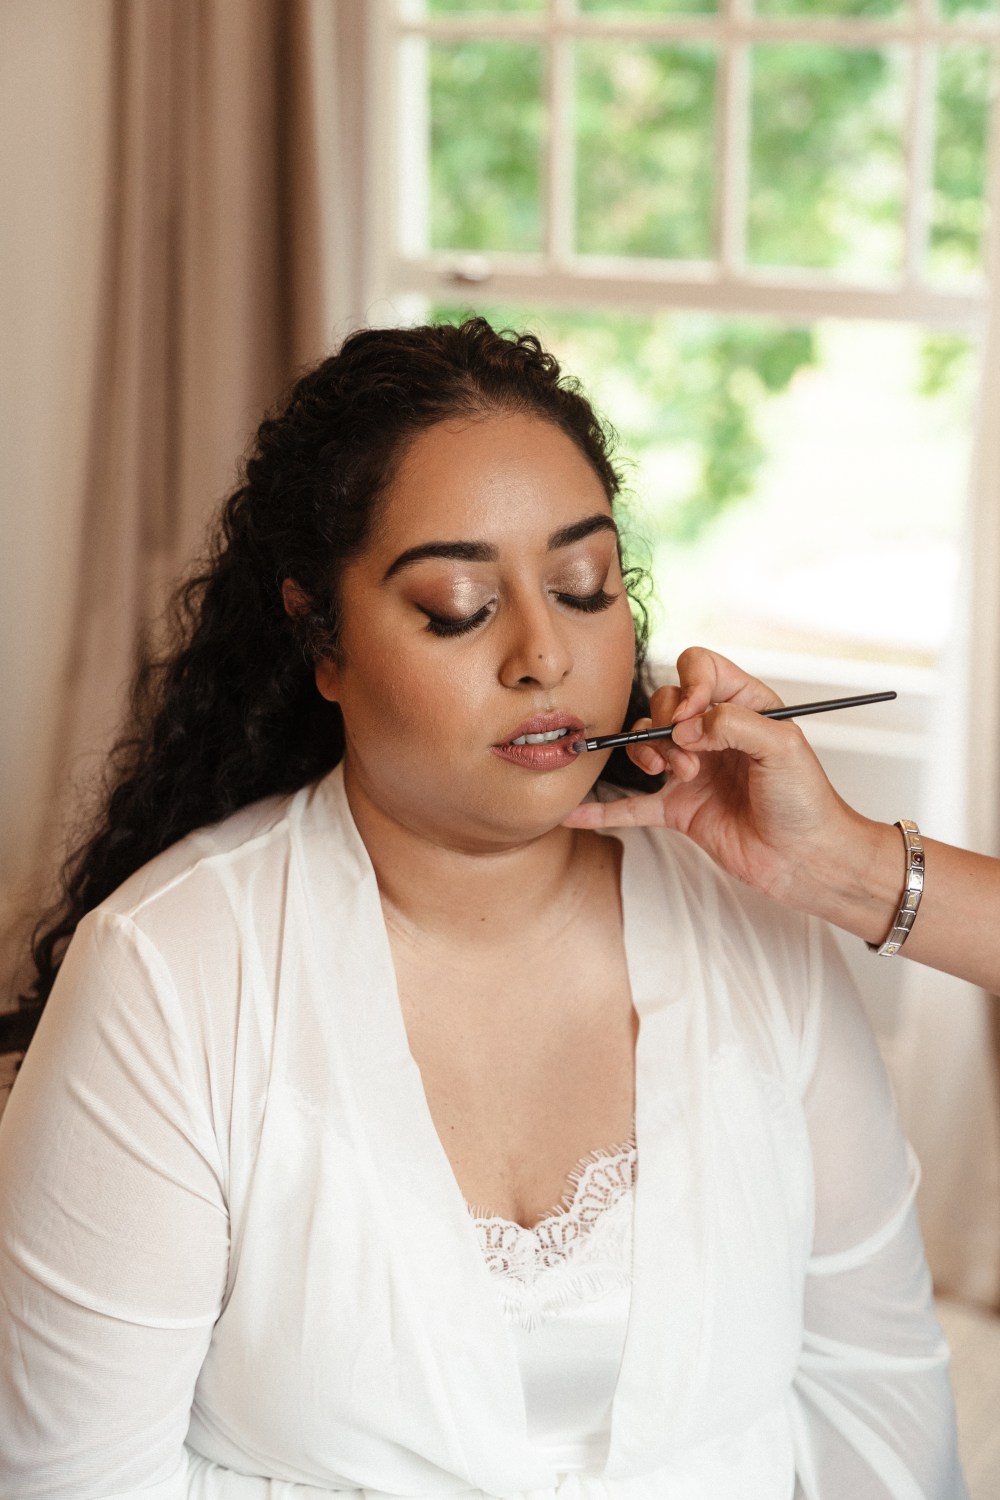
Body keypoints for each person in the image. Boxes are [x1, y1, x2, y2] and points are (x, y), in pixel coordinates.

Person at [0, 320, 965, 1499]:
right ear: (324, 640)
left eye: (582, 585)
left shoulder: (752, 918)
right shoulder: (167, 972)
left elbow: (877, 1403)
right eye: (458, 606)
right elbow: (75, 1481)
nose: (542, 653)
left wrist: (855, 871)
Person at [565, 645, 1000, 995]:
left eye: (578, 593)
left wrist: (822, 856)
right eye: (489, 608)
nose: (544, 660)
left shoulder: (751, 943)